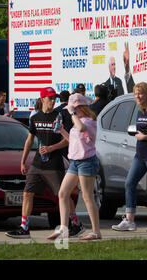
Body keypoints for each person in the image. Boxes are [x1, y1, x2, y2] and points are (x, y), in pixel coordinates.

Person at [5, 87, 76, 239]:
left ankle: (75, 223)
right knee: (27, 193)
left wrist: (51, 148)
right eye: (50, 98)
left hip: (54, 163)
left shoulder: (59, 116)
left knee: (62, 195)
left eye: (54, 98)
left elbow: (68, 140)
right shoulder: (35, 117)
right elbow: (29, 140)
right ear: (42, 99)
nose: (53, 101)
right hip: (37, 163)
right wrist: (23, 161)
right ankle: (24, 228)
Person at [112, 82, 147, 233]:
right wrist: (141, 137)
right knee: (130, 183)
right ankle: (130, 220)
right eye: (136, 93)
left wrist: (146, 137)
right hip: (140, 155)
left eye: (140, 93)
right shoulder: (140, 112)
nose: (137, 96)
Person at [47, 93, 101, 240]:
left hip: (87, 161)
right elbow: (73, 140)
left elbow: (82, 128)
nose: (70, 112)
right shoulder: (76, 121)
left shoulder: (89, 121)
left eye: (73, 109)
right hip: (74, 162)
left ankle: (96, 231)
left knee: (87, 196)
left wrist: (72, 113)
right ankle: (63, 228)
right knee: (63, 193)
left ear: (80, 108)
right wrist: (62, 131)